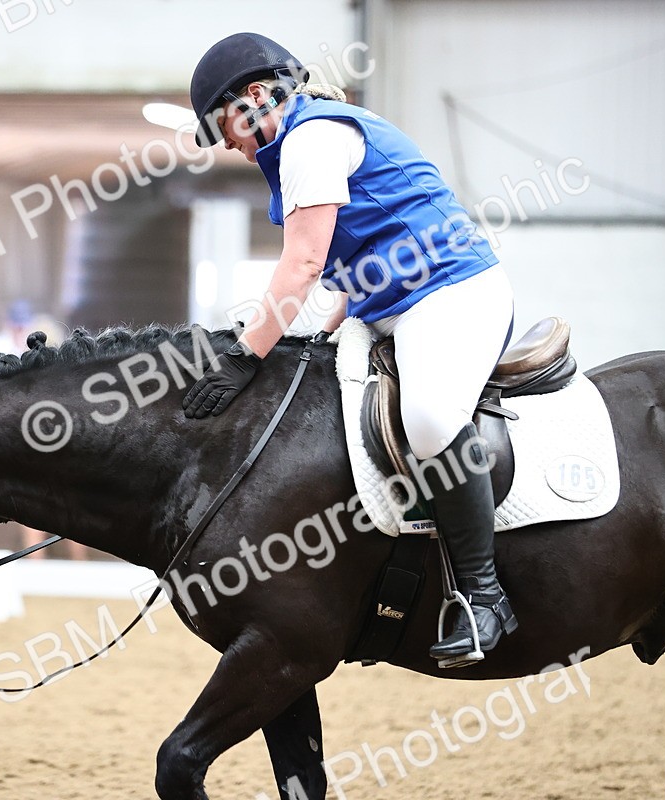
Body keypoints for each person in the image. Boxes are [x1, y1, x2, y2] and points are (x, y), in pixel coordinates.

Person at [181, 33, 517, 665]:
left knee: (430, 417)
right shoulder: (295, 143)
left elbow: (304, 263)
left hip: (452, 292)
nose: (226, 143)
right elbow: (351, 261)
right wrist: (327, 330)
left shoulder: (311, 139)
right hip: (387, 307)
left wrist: (246, 354)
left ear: (254, 97)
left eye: (222, 126)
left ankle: (484, 596)